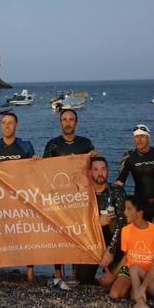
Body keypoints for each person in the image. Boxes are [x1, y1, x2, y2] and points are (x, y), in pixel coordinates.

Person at [43, 108, 98, 290]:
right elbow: (43, 171)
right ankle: (58, 274)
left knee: (77, 234)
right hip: (58, 199)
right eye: (64, 119)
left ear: (76, 122)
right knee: (58, 236)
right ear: (60, 122)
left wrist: (96, 158)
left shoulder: (85, 144)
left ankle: (75, 273)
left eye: (71, 119)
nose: (67, 122)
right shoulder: (52, 145)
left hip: (79, 199)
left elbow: (93, 170)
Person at [0, 112, 37, 281]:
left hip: (22, 197)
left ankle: (30, 270)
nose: (7, 126)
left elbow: (35, 173)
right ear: (1, 126)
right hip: (0, 197)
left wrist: (37, 161)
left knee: (25, 233)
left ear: (16, 126)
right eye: (4, 123)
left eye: (10, 123)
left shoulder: (26, 146)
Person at [77, 156, 126, 285]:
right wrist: (96, 222)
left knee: (115, 283)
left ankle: (109, 273)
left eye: (103, 169)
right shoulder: (82, 193)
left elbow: (122, 222)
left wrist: (110, 250)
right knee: (82, 282)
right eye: (96, 169)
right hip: (91, 242)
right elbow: (74, 221)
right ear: (90, 172)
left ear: (108, 171)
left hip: (112, 241)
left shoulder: (116, 191)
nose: (100, 173)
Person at [109, 195, 154, 300]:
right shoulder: (126, 230)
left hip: (148, 273)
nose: (125, 212)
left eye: (129, 209)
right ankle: (127, 287)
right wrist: (113, 276)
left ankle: (133, 291)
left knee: (135, 296)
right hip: (129, 269)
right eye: (125, 209)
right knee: (114, 294)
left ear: (140, 212)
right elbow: (126, 257)